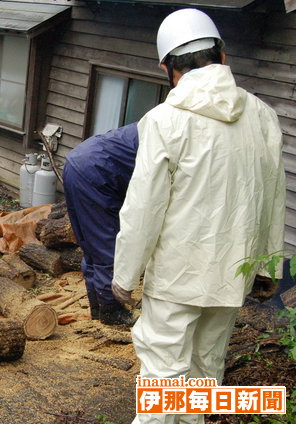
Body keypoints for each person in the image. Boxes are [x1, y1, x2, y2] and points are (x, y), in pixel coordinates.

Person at [111, 9, 285, 424]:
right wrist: (269, 265)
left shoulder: (165, 120)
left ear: (167, 69)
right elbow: (273, 195)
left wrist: (124, 275)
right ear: (222, 56)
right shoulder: (263, 116)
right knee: (204, 376)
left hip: (175, 277)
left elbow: (144, 207)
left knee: (163, 381)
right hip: (231, 274)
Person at [63, 124, 138, 326]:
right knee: (106, 244)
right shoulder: (171, 132)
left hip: (78, 162)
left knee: (91, 244)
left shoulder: (156, 123)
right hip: (98, 173)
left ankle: (98, 306)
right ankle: (111, 310)